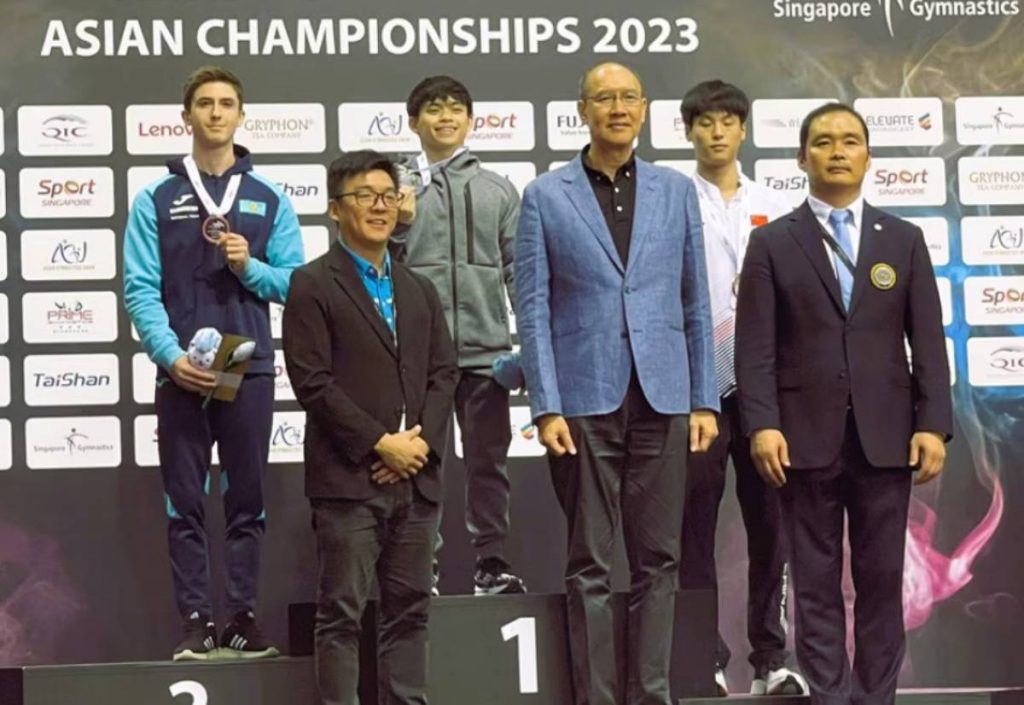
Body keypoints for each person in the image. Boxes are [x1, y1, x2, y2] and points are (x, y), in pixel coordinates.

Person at [515, 62, 719, 705]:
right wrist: (546, 404)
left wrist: (703, 399)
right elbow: (534, 308)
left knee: (660, 561)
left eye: (629, 97)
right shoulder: (546, 195)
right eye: (605, 98)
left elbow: (695, 303)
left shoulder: (676, 191)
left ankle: (650, 694)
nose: (618, 108)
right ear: (583, 109)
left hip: (665, 398)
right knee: (590, 565)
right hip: (582, 400)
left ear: (645, 108)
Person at [734, 103, 951, 705]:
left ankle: (875, 697)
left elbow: (927, 340)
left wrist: (933, 424)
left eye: (850, 141)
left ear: (867, 156)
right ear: (801, 157)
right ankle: (829, 696)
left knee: (882, 581)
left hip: (885, 436)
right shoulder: (772, 243)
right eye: (823, 142)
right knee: (815, 583)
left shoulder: (902, 240)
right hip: (802, 438)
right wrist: (762, 426)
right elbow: (754, 350)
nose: (837, 151)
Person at [123, 65, 304, 661]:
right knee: (186, 505)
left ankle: (243, 621)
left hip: (247, 368)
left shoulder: (270, 198)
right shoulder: (156, 197)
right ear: (187, 116)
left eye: (227, 103)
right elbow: (140, 288)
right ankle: (197, 621)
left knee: (248, 503)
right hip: (183, 373)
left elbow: (294, 285)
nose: (216, 113)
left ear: (241, 115)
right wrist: (169, 356)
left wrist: (249, 266)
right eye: (205, 103)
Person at [283, 150, 458, 705]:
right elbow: (313, 383)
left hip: (417, 481)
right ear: (336, 209)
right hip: (348, 484)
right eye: (364, 196)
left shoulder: (418, 288)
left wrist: (419, 444)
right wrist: (381, 445)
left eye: (388, 195)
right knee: (341, 615)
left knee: (410, 613)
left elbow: (444, 371)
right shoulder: (312, 284)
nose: (380, 206)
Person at [677, 80, 806, 696]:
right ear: (689, 131)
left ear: (744, 130)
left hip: (761, 386)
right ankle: (703, 657)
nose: (717, 131)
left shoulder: (773, 204)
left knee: (771, 528)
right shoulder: (672, 201)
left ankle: (771, 660)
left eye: (729, 121)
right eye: (705, 122)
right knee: (692, 529)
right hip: (695, 386)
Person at [390, 75, 524, 595]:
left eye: (454, 109)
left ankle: (492, 562)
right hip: (421, 358)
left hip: (488, 355)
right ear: (413, 122)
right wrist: (400, 222)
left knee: (488, 464)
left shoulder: (497, 189)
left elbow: (518, 270)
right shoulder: (398, 189)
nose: (444, 117)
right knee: (424, 464)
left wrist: (528, 345)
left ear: (470, 121)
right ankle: (426, 565)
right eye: (432, 109)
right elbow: (378, 262)